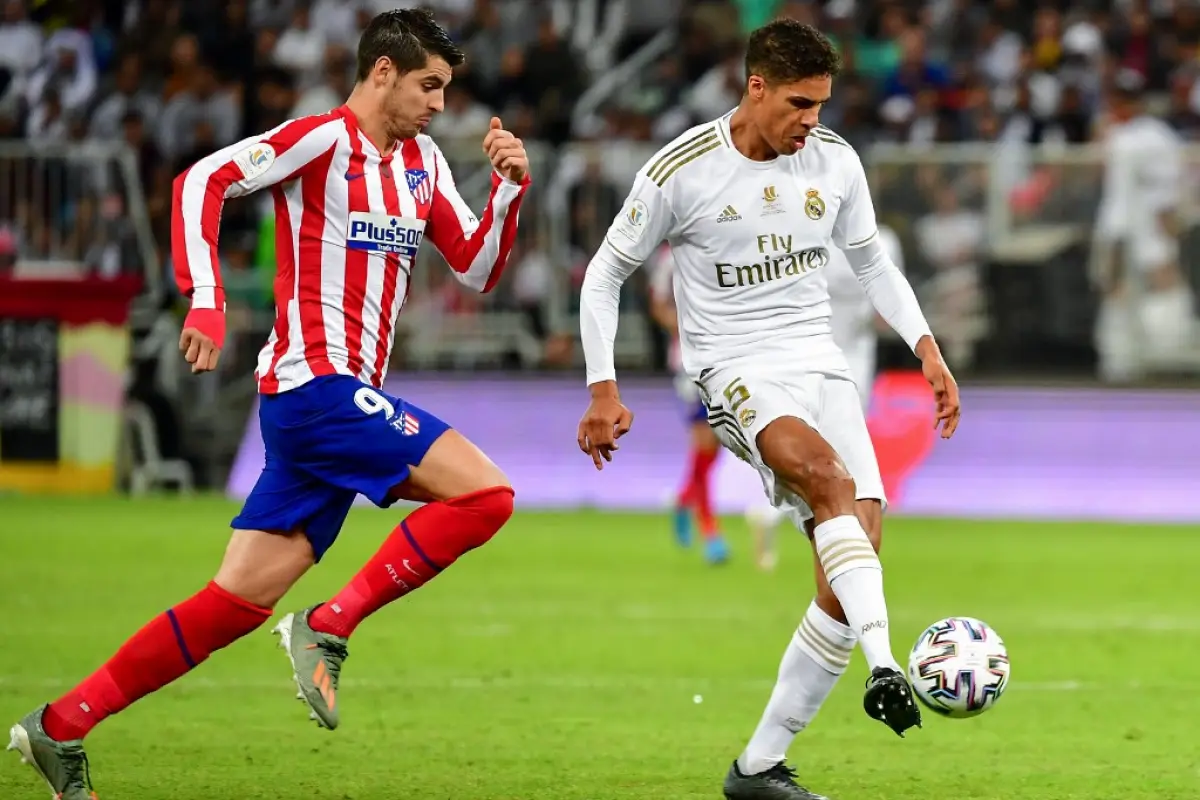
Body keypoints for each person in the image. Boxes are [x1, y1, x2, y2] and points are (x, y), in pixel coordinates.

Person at [8, 10, 531, 799]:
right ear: (382, 72)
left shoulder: (422, 163)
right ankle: (331, 624)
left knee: (235, 603)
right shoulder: (320, 140)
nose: (439, 105)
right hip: (313, 388)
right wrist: (207, 299)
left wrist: (507, 191)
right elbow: (200, 182)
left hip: (336, 406)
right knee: (488, 495)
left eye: (446, 90)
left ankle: (62, 725)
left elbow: (478, 268)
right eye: (429, 85)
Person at [575, 20, 960, 800]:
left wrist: (925, 346)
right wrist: (602, 386)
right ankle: (886, 666)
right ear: (755, 88)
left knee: (851, 556)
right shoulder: (682, 170)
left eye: (821, 104)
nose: (811, 120)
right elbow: (604, 276)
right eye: (799, 103)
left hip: (821, 365)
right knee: (825, 481)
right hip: (734, 371)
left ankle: (757, 768)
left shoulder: (835, 162)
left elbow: (871, 263)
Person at [746, 225, 904, 572]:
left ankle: (796, 522)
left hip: (838, 355)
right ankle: (818, 529)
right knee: (826, 450)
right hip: (822, 355)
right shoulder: (810, 232)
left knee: (832, 451)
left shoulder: (864, 238)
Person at [1092, 68, 1194, 383]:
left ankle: (1166, 357)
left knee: (1162, 288)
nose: (1119, 106)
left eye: (1125, 100)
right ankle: (1121, 360)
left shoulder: (1155, 135)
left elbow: (1170, 186)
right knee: (1116, 293)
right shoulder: (1115, 133)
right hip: (1116, 226)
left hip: (1148, 226)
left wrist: (1168, 223)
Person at [648, 243, 731, 564]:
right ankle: (711, 532)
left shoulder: (720, 246)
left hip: (725, 360)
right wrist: (685, 328)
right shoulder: (670, 259)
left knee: (716, 448)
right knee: (704, 443)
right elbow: (658, 305)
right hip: (690, 364)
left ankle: (684, 499)